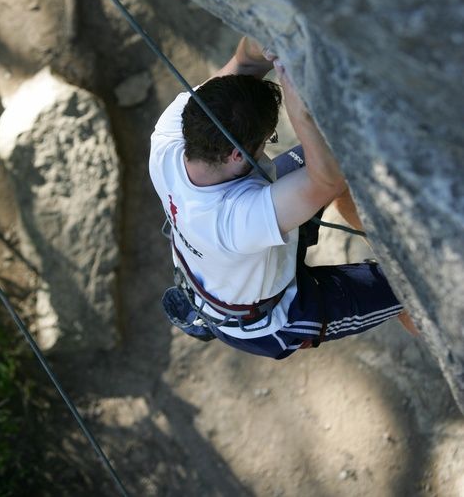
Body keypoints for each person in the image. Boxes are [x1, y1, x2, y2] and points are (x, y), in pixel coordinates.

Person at [149, 36, 418, 358]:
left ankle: (391, 249)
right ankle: (432, 327)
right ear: (237, 154)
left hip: (234, 260)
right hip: (276, 316)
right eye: (267, 140)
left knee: (338, 152)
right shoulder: (235, 221)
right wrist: (300, 111)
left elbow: (246, 62)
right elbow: (326, 179)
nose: (268, 144)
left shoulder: (170, 134)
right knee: (419, 291)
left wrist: (270, 37)